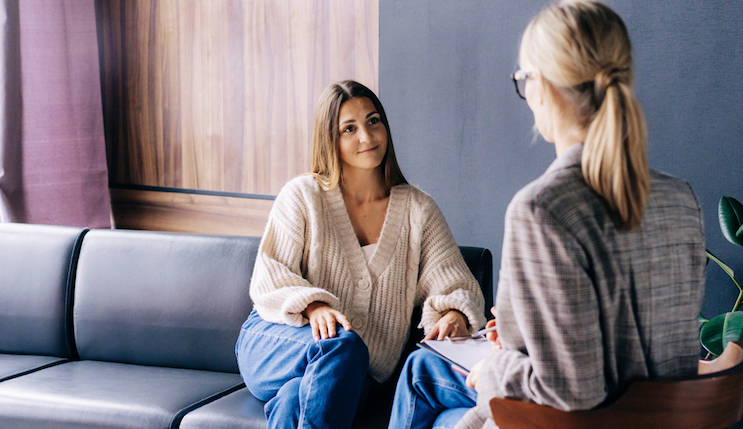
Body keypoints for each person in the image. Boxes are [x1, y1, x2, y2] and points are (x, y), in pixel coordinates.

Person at [387, 1, 706, 428]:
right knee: (424, 373)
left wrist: (498, 370)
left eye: (523, 79)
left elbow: (575, 388)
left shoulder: (542, 209)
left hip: (566, 421)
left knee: (432, 386)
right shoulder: (680, 199)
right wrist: (523, 341)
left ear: (541, 87)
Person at [235, 80, 486, 429]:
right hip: (278, 342)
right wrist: (313, 305)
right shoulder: (303, 196)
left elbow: (453, 280)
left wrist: (454, 314)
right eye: (349, 129)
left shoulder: (418, 210)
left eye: (373, 121)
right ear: (331, 140)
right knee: (345, 346)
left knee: (297, 398)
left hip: (358, 373)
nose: (367, 137)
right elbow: (269, 277)